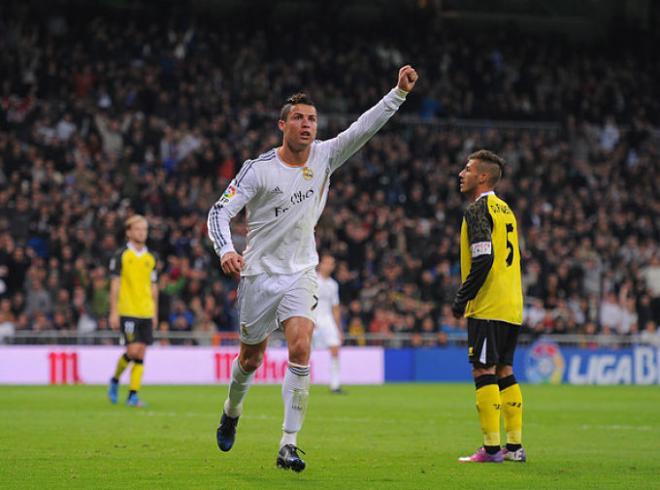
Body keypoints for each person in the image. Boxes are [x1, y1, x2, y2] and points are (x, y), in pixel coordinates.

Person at [207, 65, 418, 471]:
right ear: (282, 124)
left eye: (313, 119)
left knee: (301, 346)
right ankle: (231, 411)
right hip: (258, 275)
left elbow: (361, 129)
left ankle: (288, 443)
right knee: (250, 359)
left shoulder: (324, 156)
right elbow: (219, 211)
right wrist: (225, 250)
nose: (307, 125)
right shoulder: (258, 169)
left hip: (301, 271)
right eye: (300, 119)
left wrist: (398, 94)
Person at [451, 150, 526, 463]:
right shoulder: (506, 210)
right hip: (512, 305)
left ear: (482, 176)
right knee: (505, 371)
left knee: (483, 370)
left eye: (467, 169)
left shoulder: (478, 209)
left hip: (489, 304)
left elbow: (483, 257)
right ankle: (515, 447)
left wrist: (462, 296)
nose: (461, 173)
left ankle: (492, 449)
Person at [107, 215, 158, 407]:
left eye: (144, 229)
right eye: (138, 229)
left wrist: (155, 312)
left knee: (142, 352)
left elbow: (154, 286)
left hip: (146, 310)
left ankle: (133, 396)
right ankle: (114, 379)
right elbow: (115, 285)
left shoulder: (151, 257)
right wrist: (113, 312)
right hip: (127, 310)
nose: (142, 233)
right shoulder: (121, 255)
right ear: (129, 232)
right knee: (132, 350)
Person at [313, 254, 344, 393]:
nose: (329, 266)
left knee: (335, 349)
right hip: (312, 318)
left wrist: (339, 329)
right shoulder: (312, 279)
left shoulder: (333, 284)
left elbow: (335, 307)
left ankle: (335, 385)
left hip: (327, 319)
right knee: (303, 351)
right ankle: (299, 384)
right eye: (327, 263)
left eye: (332, 264)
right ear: (320, 264)